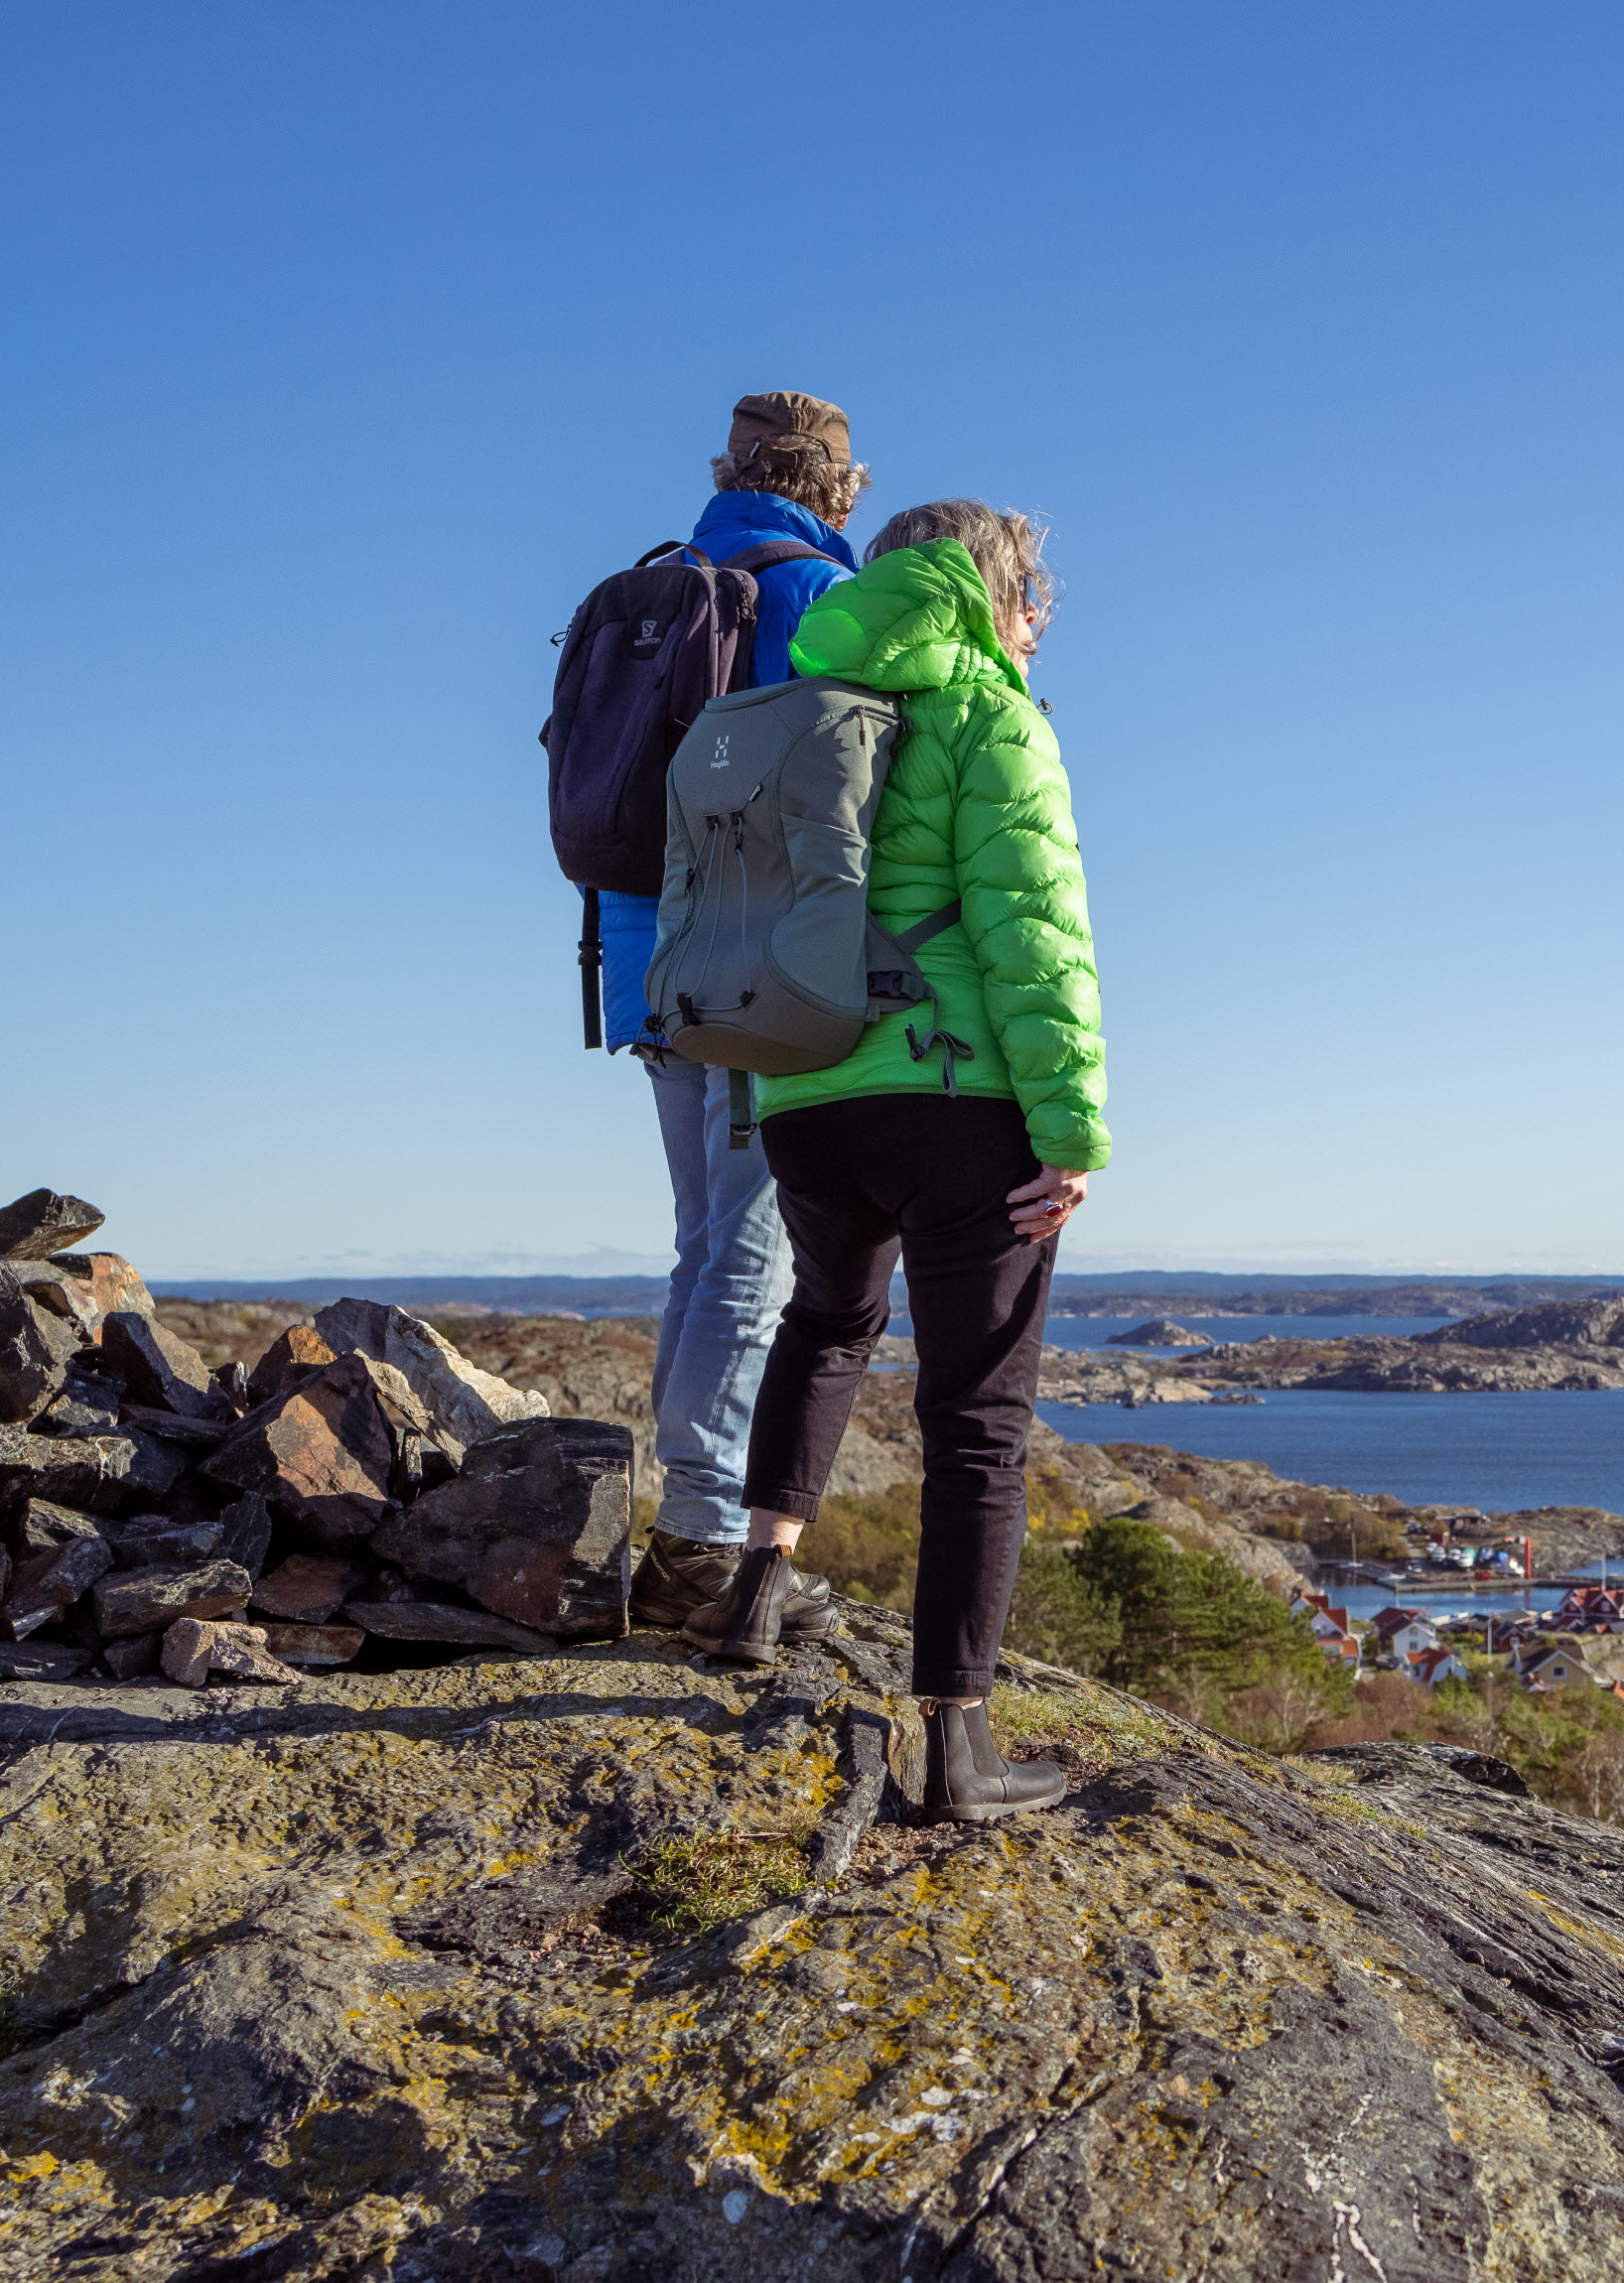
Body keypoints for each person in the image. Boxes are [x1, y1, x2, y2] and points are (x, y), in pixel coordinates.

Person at [695, 500, 1107, 1826]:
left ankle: (758, 1589)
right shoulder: (992, 716)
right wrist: (1072, 1134)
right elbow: (1034, 934)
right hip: (956, 1096)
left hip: (804, 1090)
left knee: (825, 1322)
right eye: (1038, 595)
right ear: (1001, 593)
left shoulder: (803, 705)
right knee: (976, 1415)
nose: (1044, 620)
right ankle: (955, 1748)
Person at [614, 392, 868, 1644]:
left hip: (644, 961)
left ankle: (681, 1522)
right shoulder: (812, 594)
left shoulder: (665, 585)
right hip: (757, 976)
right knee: (752, 1260)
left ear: (729, 469)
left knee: (703, 1246)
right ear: (840, 486)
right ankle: (704, 1542)